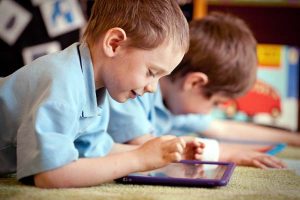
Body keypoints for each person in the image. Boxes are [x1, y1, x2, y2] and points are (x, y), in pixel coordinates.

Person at [0, 0, 205, 188]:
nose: (153, 88)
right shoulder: (62, 83)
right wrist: (138, 159)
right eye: (151, 73)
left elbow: (95, 150)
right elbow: (48, 174)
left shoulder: (94, 87)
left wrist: (163, 153)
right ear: (114, 43)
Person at [108, 12, 292, 169]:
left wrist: (293, 138)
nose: (210, 111)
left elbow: (224, 129)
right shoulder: (131, 88)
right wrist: (223, 153)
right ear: (195, 83)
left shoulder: (176, 101)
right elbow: (146, 148)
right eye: (215, 103)